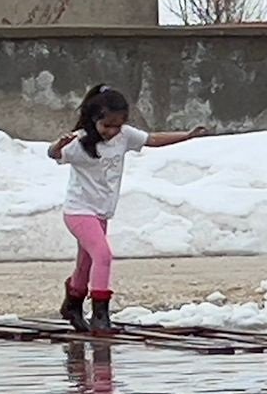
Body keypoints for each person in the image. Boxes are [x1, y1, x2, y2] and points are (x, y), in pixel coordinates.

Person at [49, 85, 207, 333]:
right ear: (94, 120)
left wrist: (186, 135)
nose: (112, 132)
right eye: (106, 126)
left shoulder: (124, 136)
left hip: (101, 211)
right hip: (78, 211)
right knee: (103, 255)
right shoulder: (80, 143)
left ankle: (72, 305)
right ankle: (101, 315)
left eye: (117, 125)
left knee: (86, 263)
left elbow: (152, 139)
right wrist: (58, 145)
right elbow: (53, 154)